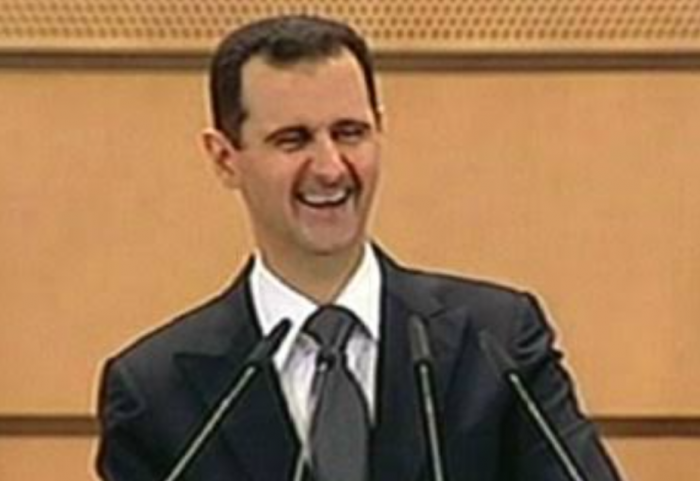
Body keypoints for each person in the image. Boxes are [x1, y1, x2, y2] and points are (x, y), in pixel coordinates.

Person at [96, 14, 622, 481]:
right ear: (224, 159)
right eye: (293, 140)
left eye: (350, 133)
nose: (330, 168)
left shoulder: (496, 343)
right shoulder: (155, 391)